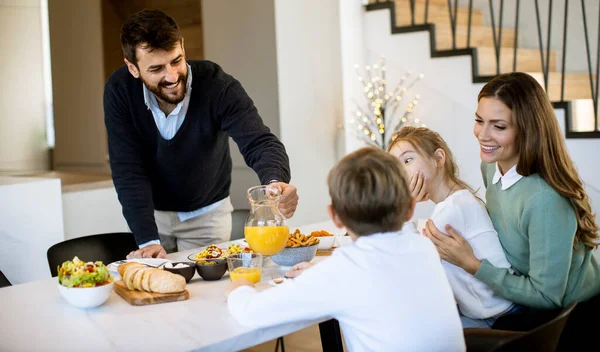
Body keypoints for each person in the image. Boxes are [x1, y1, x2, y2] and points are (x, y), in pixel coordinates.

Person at [227, 147, 466, 351]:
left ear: (335, 217)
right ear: (411, 209)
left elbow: (250, 312)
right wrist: (319, 274)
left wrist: (241, 287)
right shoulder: (423, 246)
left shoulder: (344, 271)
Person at [104, 9, 298, 258]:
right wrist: (147, 240)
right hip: (150, 215)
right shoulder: (119, 91)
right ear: (132, 68)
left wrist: (275, 181)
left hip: (207, 217)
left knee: (209, 293)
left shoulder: (218, 86)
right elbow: (127, 169)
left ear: (183, 47)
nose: (172, 76)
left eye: (176, 60)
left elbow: (259, 142)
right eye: (156, 69)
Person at [423, 73, 600, 326]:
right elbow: (490, 220)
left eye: (499, 126)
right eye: (479, 120)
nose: (483, 135)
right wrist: (431, 190)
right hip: (521, 296)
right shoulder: (492, 168)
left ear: (527, 130)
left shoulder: (544, 200)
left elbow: (547, 297)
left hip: (565, 317)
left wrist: (472, 264)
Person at [388, 126, 515, 328]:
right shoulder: (458, 200)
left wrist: (405, 209)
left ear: (438, 158)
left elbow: (413, 264)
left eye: (408, 160)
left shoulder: (453, 210)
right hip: (486, 311)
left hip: (498, 318)